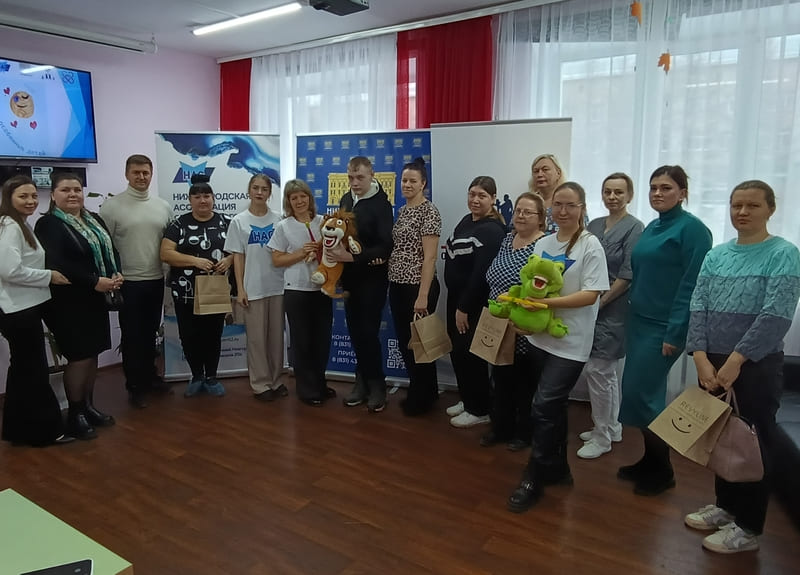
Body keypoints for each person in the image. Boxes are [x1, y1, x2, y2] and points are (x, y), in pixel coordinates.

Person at [684, 180, 800, 554]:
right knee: (722, 438)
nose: (743, 212)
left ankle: (748, 527)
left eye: (753, 205)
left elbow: (776, 314)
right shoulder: (716, 255)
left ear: (770, 209)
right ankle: (726, 506)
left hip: (756, 363)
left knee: (752, 444)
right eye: (737, 205)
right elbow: (698, 305)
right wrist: (700, 356)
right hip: (711, 362)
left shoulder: (783, 253)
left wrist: (736, 360)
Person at [506, 182, 609, 513]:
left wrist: (546, 304)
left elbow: (591, 294)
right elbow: (530, 285)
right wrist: (522, 314)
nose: (563, 211)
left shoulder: (590, 245)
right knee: (553, 407)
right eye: (558, 205)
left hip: (572, 341)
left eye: (570, 205)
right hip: (540, 337)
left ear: (582, 208)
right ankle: (559, 469)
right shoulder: (544, 243)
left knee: (543, 405)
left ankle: (534, 476)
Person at [617, 165, 712, 496]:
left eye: (666, 188)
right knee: (640, 394)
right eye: (653, 187)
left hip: (664, 327)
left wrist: (675, 332)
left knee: (643, 396)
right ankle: (650, 461)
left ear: (682, 193)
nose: (658, 193)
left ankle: (664, 470)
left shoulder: (693, 230)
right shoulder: (653, 226)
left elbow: (692, 285)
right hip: (639, 321)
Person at [35, 172, 123, 440]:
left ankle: (88, 406)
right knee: (79, 356)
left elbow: (110, 249)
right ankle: (75, 415)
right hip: (68, 301)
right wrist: (94, 281)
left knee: (93, 353)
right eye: (65, 190)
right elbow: (57, 263)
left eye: (76, 189)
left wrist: (116, 273)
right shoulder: (48, 224)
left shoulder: (93, 219)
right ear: (53, 195)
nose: (72, 194)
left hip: (95, 298)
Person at [0, 175, 72, 446]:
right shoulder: (10, 226)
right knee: (34, 372)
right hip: (18, 310)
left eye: (33, 196)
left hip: (23, 306)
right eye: (23, 196)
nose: (30, 201)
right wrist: (48, 276)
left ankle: (18, 431)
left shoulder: (20, 223)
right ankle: (45, 432)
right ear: (9, 198)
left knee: (22, 370)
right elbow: (10, 271)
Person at [577, 173, 644, 459]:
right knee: (607, 374)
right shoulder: (593, 225)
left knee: (598, 370)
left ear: (629, 196)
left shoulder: (635, 228)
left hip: (613, 308)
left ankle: (601, 436)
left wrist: (599, 302)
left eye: (618, 192)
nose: (612, 197)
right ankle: (612, 427)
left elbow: (627, 274)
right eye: (607, 191)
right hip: (589, 305)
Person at [100, 154, 173, 409]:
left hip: (155, 279)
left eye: (145, 173)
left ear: (151, 174)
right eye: (136, 173)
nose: (141, 177)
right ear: (127, 174)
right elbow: (104, 246)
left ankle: (150, 378)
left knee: (150, 332)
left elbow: (169, 244)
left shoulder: (163, 206)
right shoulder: (111, 207)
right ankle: (135, 386)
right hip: (127, 282)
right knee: (132, 336)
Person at [481, 191, 546, 449]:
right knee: (501, 378)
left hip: (523, 324)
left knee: (524, 382)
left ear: (540, 218)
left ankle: (524, 433)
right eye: (518, 210)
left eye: (528, 212)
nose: (521, 215)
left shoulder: (543, 245)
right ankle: (501, 427)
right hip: (499, 322)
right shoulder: (508, 238)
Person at [330, 156, 394, 413]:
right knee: (356, 333)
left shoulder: (381, 204)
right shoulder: (346, 199)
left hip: (373, 281)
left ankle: (377, 385)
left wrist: (355, 257)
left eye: (360, 177)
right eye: (351, 177)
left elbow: (385, 246)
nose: (354, 182)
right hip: (350, 279)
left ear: (372, 175)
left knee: (368, 332)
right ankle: (362, 382)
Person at [160, 175, 233, 398]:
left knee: (213, 335)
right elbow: (165, 253)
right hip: (185, 293)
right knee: (189, 336)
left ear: (213, 198)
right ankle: (197, 376)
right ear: (190, 200)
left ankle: (211, 377)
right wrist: (194, 261)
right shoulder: (178, 224)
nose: (203, 200)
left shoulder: (226, 222)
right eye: (197, 196)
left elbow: (239, 251)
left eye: (207, 196)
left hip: (215, 290)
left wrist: (228, 260)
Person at [444, 176, 505, 428]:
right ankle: (467, 398)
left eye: (482, 195)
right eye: (472, 194)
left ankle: (479, 409)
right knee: (458, 351)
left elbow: (481, 275)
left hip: (473, 303)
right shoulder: (466, 220)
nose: (475, 200)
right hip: (456, 298)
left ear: (493, 199)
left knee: (471, 354)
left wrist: (464, 307)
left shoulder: (491, 230)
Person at [269, 179, 334, 406]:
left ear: (309, 198)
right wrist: (300, 253)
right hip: (296, 291)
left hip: (322, 290)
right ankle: (306, 390)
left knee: (322, 340)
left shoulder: (323, 221)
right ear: (288, 201)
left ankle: (320, 384)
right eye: (294, 197)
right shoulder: (283, 226)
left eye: (302, 196)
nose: (299, 201)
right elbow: (277, 260)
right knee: (302, 341)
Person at [387, 158, 442, 416]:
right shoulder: (402, 211)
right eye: (404, 180)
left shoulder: (429, 212)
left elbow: (429, 258)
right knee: (405, 343)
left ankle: (423, 398)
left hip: (418, 288)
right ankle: (422, 391)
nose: (407, 184)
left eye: (412, 181)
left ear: (423, 184)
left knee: (421, 345)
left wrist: (422, 296)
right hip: (397, 285)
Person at [224, 174, 285, 402]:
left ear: (270, 193)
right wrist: (241, 289)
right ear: (249, 191)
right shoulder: (239, 221)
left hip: (278, 286)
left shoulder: (279, 219)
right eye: (255, 188)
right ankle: (261, 384)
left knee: (276, 338)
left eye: (264, 189)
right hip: (253, 288)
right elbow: (238, 257)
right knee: (256, 340)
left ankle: (277, 380)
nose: (259, 192)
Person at [529, 154, 566, 234]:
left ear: (558, 173)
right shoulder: (527, 201)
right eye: (536, 171)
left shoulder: (570, 202)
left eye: (545, 170)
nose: (540, 174)